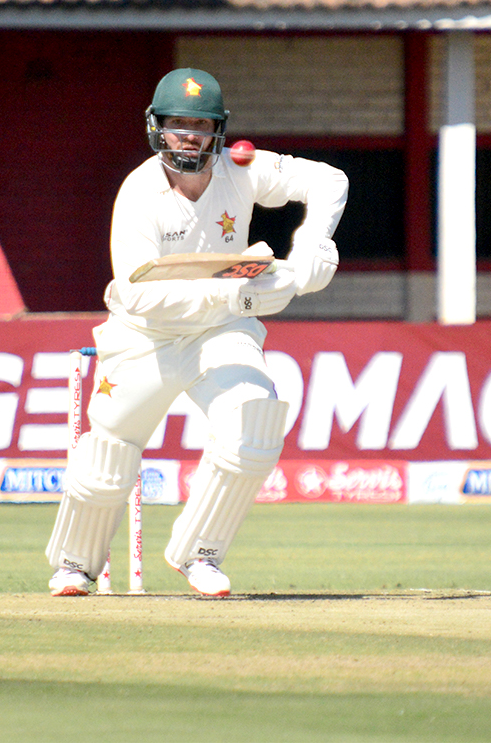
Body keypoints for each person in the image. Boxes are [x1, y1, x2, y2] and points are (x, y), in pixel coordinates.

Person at [46, 68, 348, 597]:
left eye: (201, 125)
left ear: (219, 131)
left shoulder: (241, 169)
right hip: (145, 337)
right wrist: (237, 294)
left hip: (220, 332)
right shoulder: (139, 194)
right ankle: (75, 564)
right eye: (177, 124)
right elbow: (140, 294)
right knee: (110, 451)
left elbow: (329, 180)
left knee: (254, 423)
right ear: (156, 128)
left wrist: (312, 246)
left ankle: (199, 554)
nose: (189, 135)